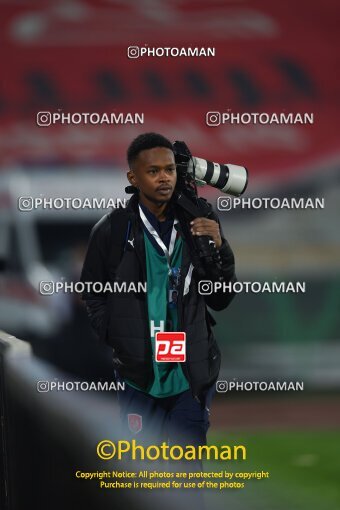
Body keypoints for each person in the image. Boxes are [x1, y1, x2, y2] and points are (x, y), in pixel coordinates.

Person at [80, 132, 236, 451]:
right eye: (153, 171)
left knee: (186, 482)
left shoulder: (199, 220)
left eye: (169, 169)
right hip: (139, 377)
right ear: (133, 177)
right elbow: (92, 291)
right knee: (142, 484)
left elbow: (221, 297)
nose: (164, 178)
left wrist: (221, 247)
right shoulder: (111, 229)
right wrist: (116, 334)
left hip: (189, 376)